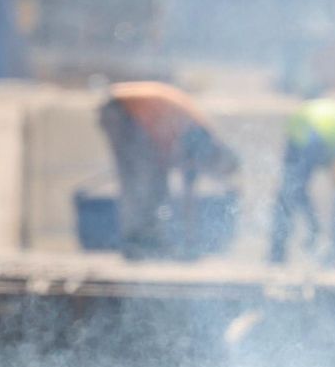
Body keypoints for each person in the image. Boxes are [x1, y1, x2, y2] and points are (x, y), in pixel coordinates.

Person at [99, 81, 240, 259]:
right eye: (219, 173)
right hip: (125, 111)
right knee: (141, 182)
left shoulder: (200, 144)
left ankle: (143, 237)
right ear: (216, 160)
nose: (215, 177)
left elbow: (188, 194)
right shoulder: (199, 140)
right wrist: (190, 242)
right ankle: (137, 239)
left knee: (151, 183)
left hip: (126, 109)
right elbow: (185, 194)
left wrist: (190, 240)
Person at [268, 98, 335, 269]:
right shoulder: (323, 138)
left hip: (319, 127)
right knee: (292, 190)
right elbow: (299, 189)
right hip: (313, 131)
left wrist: (313, 224)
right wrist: (313, 224)